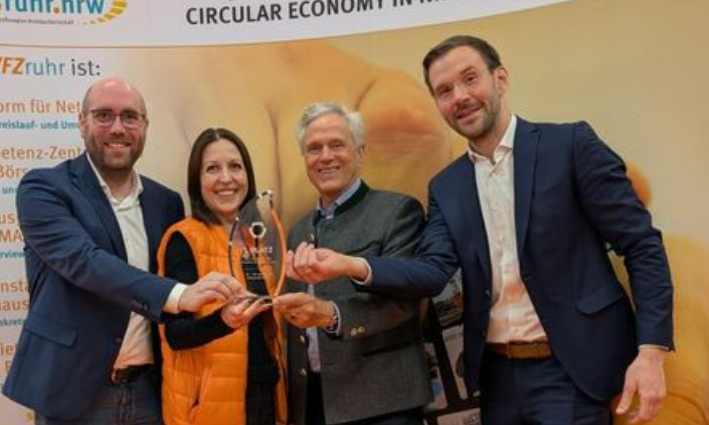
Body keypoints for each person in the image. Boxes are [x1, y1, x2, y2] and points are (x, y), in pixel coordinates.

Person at [286, 36, 674, 425]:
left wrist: (651, 350)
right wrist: (349, 264)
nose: (460, 97)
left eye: (470, 79)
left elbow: (641, 245)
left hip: (572, 370)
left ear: (500, 79)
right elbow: (432, 271)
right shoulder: (446, 186)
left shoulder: (570, 145)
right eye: (444, 91)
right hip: (498, 378)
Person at [2, 77, 243, 425]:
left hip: (149, 392)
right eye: (104, 115)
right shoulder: (43, 188)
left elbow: (173, 318)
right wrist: (178, 294)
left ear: (145, 126)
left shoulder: (166, 202)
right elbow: (84, 262)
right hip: (74, 393)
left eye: (130, 116)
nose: (118, 128)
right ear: (82, 122)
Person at [273, 103, 432, 425]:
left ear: (359, 153)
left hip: (385, 404)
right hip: (314, 404)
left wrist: (330, 315)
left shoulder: (397, 212)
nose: (325, 156)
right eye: (314, 148)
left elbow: (404, 302)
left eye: (337, 144)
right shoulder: (297, 231)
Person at [156, 128, 286, 425]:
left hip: (263, 397)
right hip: (209, 409)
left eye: (235, 166)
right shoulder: (184, 239)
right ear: (197, 180)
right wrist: (223, 321)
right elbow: (175, 335)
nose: (226, 178)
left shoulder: (255, 240)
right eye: (212, 168)